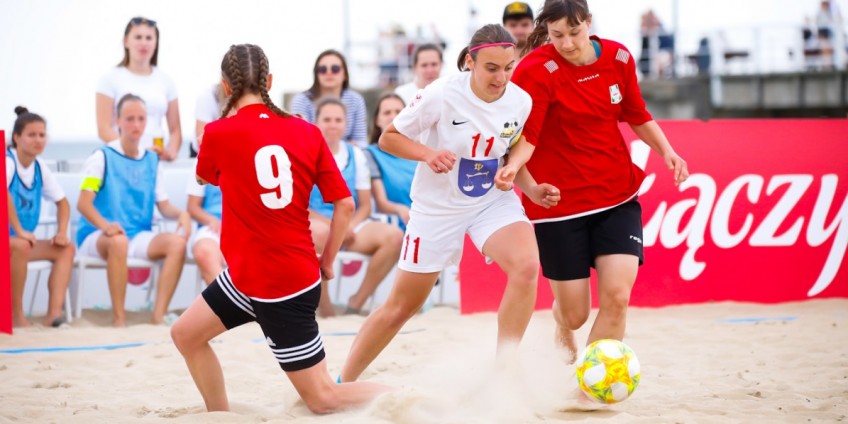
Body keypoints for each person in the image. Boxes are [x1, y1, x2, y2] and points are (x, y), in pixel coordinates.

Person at [170, 44, 390, 414]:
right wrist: (327, 261)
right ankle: (220, 416)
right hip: (252, 275)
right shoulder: (307, 131)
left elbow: (206, 176)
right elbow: (346, 205)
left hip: (278, 284)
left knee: (323, 398)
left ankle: (411, 397)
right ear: (269, 82)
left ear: (225, 87)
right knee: (186, 334)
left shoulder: (217, 133)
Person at [339, 24, 561, 383]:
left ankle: (502, 373)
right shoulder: (441, 94)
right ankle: (343, 383)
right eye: (491, 68)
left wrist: (530, 187)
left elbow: (511, 153)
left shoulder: (520, 100)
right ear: (470, 62)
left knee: (526, 267)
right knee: (401, 307)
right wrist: (427, 154)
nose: (501, 77)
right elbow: (389, 138)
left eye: (508, 67)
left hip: (490, 201)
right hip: (437, 208)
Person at [511, 0, 689, 363]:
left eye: (574, 32)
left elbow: (637, 114)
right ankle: (562, 325)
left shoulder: (619, 57)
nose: (567, 43)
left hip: (616, 196)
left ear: (589, 22)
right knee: (575, 314)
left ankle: (591, 384)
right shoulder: (534, 70)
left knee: (617, 298)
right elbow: (522, 137)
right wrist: (520, 178)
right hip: (559, 206)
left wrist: (667, 151)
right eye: (556, 35)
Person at [77, 94, 191, 327]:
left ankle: (158, 317)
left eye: (141, 118)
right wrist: (106, 227)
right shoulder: (101, 157)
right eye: (130, 119)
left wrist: (183, 214)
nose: (136, 124)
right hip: (97, 235)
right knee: (118, 242)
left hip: (137, 235)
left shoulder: (152, 160)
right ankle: (119, 319)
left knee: (177, 244)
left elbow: (164, 205)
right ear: (117, 121)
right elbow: (83, 203)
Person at [309, 97, 403, 317]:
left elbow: (365, 205)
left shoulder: (356, 155)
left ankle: (356, 302)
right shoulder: (305, 153)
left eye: (338, 120)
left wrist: (347, 226)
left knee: (394, 238)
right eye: (327, 119)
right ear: (316, 122)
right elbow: (299, 206)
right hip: (317, 223)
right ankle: (325, 306)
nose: (333, 125)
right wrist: (336, 227)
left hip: (350, 224)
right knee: (320, 233)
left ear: (346, 123)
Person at [6, 107, 75, 328]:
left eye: (42, 135)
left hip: (19, 244)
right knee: (21, 245)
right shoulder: (7, 162)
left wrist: (61, 232)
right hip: (12, 241)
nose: (38, 140)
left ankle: (53, 315)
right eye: (32, 135)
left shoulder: (39, 167)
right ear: (17, 138)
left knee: (65, 249)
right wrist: (19, 230)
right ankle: (17, 315)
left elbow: (63, 203)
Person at [95, 16, 183, 161]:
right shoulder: (109, 79)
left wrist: (171, 153)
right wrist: (136, 153)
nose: (144, 43)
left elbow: (175, 129)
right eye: (138, 37)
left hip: (156, 159)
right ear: (126, 41)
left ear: (156, 43)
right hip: (122, 159)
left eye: (149, 38)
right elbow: (104, 129)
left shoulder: (166, 81)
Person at [289, 50, 368, 148]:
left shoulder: (356, 100)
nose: (329, 72)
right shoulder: (302, 100)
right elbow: (300, 139)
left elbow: (361, 142)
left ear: (345, 74)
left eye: (335, 69)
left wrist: (341, 150)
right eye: (323, 69)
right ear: (316, 74)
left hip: (348, 155)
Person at [364, 93, 415, 229]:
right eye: (387, 112)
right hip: (395, 225)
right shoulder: (370, 154)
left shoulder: (420, 152)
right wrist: (400, 209)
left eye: (398, 112)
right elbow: (381, 203)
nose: (393, 117)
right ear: (377, 120)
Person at [186, 175, 224, 285]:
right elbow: (193, 207)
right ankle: (226, 294)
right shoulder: (202, 165)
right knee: (204, 252)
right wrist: (212, 220)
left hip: (248, 226)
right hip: (213, 225)